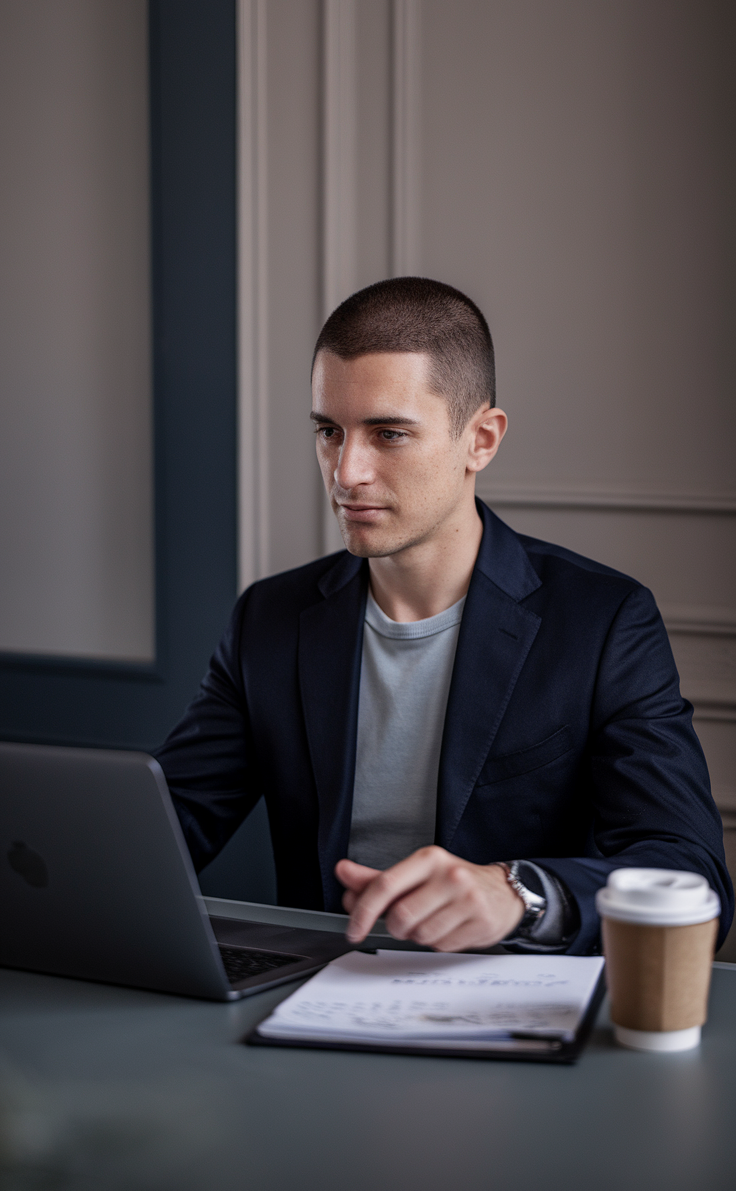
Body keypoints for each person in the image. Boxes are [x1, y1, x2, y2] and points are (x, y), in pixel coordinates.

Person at [156, 277, 733, 954]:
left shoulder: (603, 622)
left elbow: (692, 878)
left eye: (389, 433)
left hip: (514, 995)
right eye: (329, 431)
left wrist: (518, 894)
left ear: (481, 439)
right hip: (314, 992)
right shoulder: (269, 617)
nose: (346, 472)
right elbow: (166, 827)